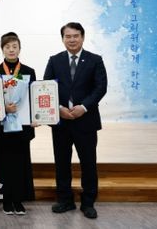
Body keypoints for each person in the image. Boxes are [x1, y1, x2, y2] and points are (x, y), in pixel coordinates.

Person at [43, 22, 107, 220]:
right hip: (61, 121)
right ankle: (65, 200)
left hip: (85, 120)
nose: (72, 40)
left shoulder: (95, 60)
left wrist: (84, 107)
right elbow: (46, 87)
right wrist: (59, 109)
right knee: (62, 162)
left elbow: (100, 87)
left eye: (75, 36)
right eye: (68, 36)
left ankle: (88, 202)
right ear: (62, 39)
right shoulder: (55, 60)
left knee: (88, 163)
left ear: (83, 37)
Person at [0, 32, 36, 215]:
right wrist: (3, 108)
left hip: (22, 124)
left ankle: (19, 199)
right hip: (2, 124)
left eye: (14, 46)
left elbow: (33, 97)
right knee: (4, 160)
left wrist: (35, 117)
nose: (11, 50)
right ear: (2, 49)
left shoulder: (29, 71)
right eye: (7, 47)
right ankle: (6, 199)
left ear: (19, 48)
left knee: (21, 161)